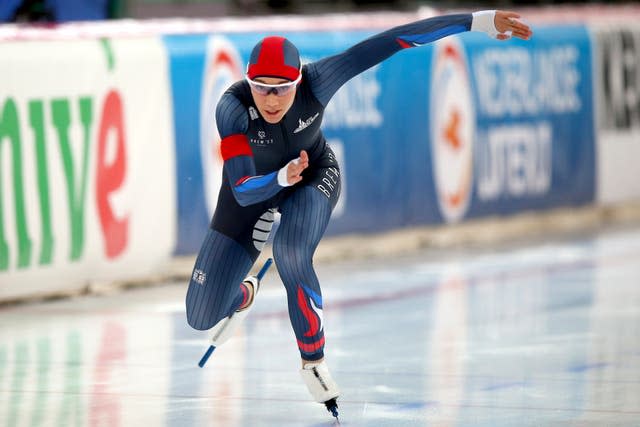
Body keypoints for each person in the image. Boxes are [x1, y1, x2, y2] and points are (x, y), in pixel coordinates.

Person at [186, 9, 532, 417]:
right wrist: (278, 179)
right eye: (263, 88)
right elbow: (242, 192)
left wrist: (477, 20)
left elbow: (393, 40)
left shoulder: (319, 81)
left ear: (300, 80)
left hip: (312, 176)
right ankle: (244, 294)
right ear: (249, 82)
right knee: (200, 315)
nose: (273, 99)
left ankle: (313, 362)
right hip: (256, 189)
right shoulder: (232, 109)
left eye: (284, 88)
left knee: (291, 251)